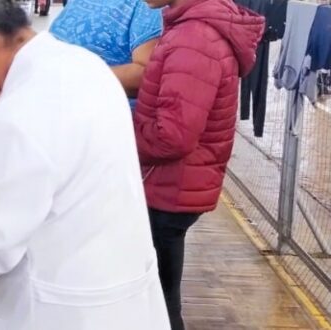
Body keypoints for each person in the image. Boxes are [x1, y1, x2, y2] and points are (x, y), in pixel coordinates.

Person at [0, 0, 169, 328]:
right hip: (118, 303)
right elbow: (56, 177)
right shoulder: (84, 65)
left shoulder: (14, 119)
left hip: (55, 314)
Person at [132, 0, 264, 329]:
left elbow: (173, 136)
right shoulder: (193, 28)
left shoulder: (194, 38)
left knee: (157, 300)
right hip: (173, 186)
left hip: (168, 189)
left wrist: (119, 136)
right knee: (159, 294)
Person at [49, 0, 162, 107]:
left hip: (101, 117)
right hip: (59, 108)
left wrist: (75, 76)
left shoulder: (146, 5)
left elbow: (146, 75)